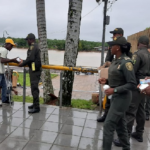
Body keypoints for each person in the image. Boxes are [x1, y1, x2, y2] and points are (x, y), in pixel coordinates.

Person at [100, 37, 136, 150]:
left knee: (108, 125)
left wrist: (114, 90)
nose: (110, 47)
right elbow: (118, 80)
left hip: (122, 98)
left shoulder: (126, 63)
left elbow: (132, 84)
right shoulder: (116, 61)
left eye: (112, 45)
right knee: (120, 126)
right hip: (115, 97)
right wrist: (106, 81)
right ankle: (126, 147)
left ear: (118, 47)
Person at [114, 36, 150, 147]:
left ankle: (124, 138)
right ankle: (139, 133)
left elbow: (131, 70)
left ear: (139, 43)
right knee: (141, 109)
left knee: (130, 110)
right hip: (146, 83)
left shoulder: (137, 54)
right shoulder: (149, 54)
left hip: (137, 84)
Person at [97, 28, 132, 122]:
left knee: (114, 121)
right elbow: (108, 59)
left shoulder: (124, 48)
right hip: (113, 75)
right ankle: (106, 114)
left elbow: (127, 62)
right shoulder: (113, 47)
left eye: (115, 34)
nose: (113, 36)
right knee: (109, 98)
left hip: (121, 80)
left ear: (120, 35)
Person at [19, 33, 42, 113]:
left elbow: (31, 58)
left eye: (28, 40)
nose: (27, 41)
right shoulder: (33, 47)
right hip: (33, 69)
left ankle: (36, 107)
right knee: (33, 87)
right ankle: (34, 104)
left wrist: (22, 63)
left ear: (31, 39)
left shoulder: (33, 47)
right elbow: (29, 58)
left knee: (34, 88)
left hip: (35, 70)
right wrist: (24, 61)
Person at [0, 39, 19, 105]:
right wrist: (13, 60)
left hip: (1, 72)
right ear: (7, 44)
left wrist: (11, 60)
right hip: (0, 72)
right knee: (3, 86)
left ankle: (4, 99)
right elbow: (2, 60)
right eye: (11, 46)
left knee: (4, 86)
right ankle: (3, 99)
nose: (12, 47)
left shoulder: (1, 49)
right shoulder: (4, 50)